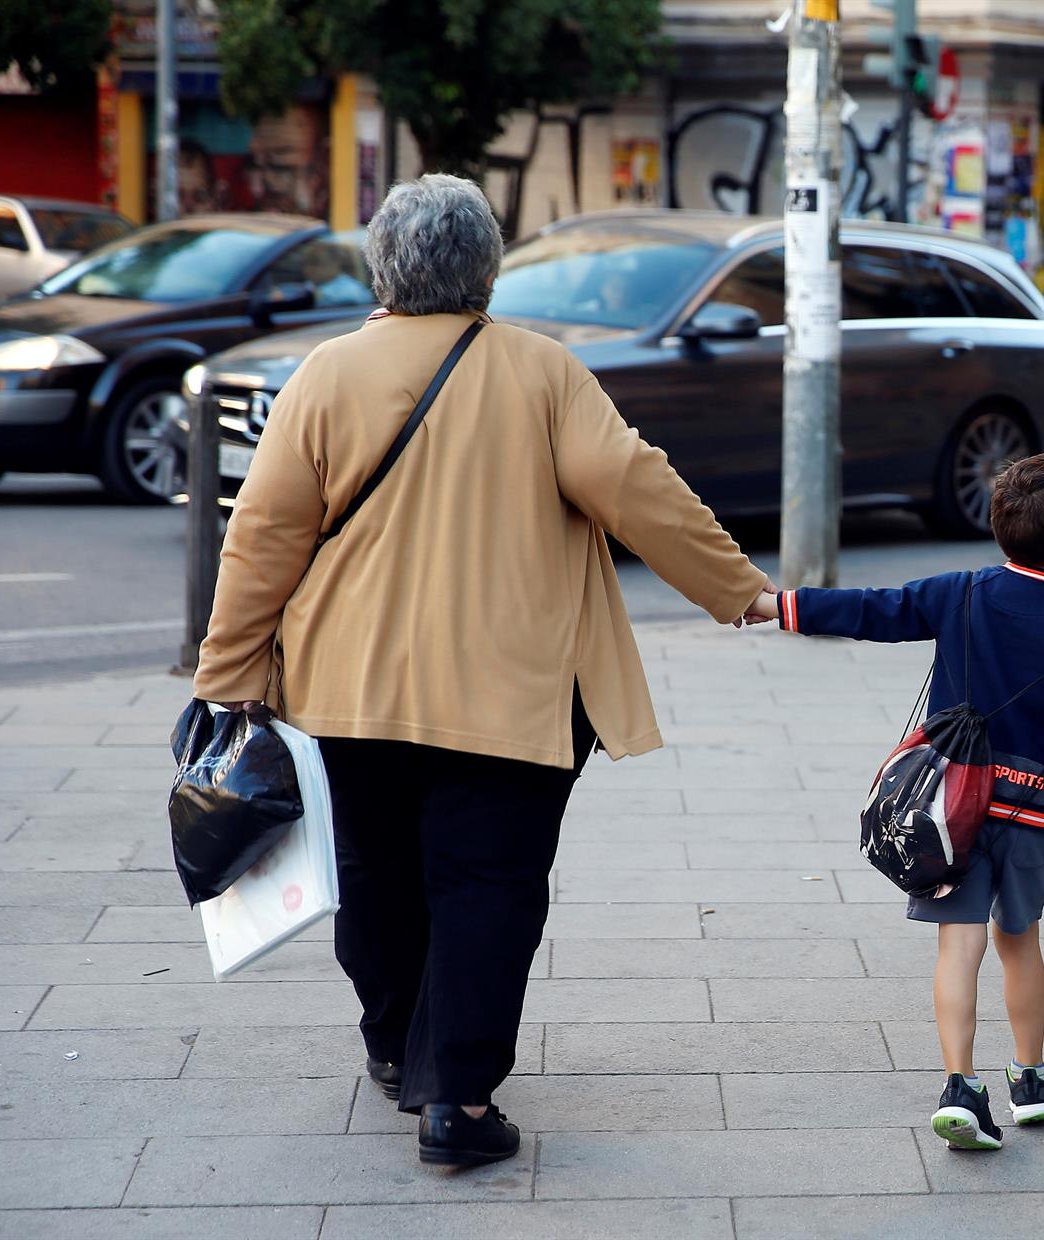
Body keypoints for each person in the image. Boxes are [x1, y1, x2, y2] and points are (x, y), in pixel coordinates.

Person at [192, 173, 771, 1168]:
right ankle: (457, 1102)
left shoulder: (325, 375)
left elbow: (262, 538)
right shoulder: (544, 371)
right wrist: (739, 590)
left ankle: (393, 1044)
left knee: (372, 874)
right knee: (488, 886)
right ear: (489, 271)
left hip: (349, 691)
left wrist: (228, 675)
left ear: (381, 267)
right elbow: (634, 484)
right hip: (514, 692)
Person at [745, 453, 1044, 1150]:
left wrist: (775, 605)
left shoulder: (959, 593)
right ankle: (1030, 1080)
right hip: (1037, 812)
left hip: (952, 812)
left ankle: (960, 1087)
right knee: (1019, 938)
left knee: (959, 944)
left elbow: (871, 609)